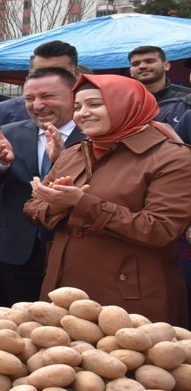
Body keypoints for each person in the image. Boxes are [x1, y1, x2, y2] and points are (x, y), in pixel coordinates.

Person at [25, 73, 191, 326]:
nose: (83, 113)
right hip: (63, 287)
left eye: (95, 104)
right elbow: (33, 207)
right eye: (78, 106)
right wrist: (55, 203)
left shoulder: (172, 158)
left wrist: (82, 202)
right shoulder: (75, 152)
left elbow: (159, 229)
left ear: (126, 104)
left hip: (130, 294)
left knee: (129, 361)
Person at [0, 67, 84, 307]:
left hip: (73, 247)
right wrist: (1, 163)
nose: (38, 105)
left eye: (48, 96)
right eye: (29, 99)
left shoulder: (91, 135)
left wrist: (62, 161)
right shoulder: (9, 133)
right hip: (16, 249)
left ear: (74, 95)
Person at [128, 45, 191, 128]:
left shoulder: (187, 98)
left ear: (166, 65)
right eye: (136, 64)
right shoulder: (124, 102)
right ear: (131, 71)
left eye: (150, 61)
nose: (142, 66)